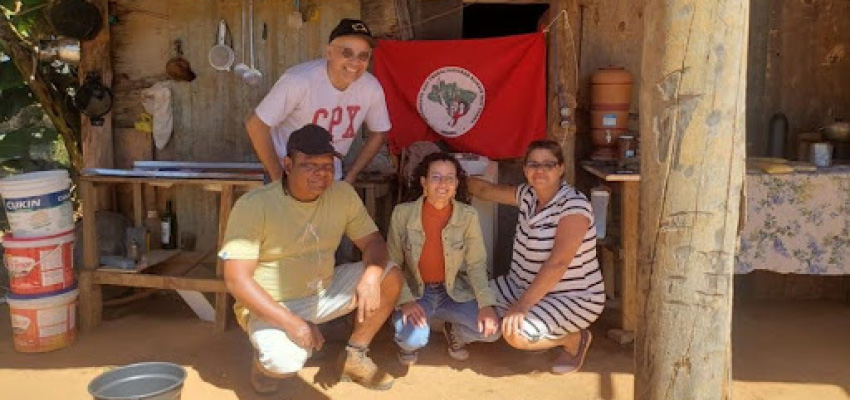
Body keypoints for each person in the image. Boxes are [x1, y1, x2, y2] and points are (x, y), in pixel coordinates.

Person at [220, 124, 403, 393]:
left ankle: (354, 355)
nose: (321, 173)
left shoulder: (342, 194)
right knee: (283, 363)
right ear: (287, 164)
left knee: (390, 275)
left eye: (328, 165)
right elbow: (236, 280)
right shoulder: (254, 205)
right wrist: (292, 322)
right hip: (272, 304)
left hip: (324, 291)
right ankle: (262, 364)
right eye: (309, 165)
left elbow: (373, 242)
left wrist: (371, 277)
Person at [468, 140, 605, 374]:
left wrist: (522, 306)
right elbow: (484, 190)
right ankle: (535, 326)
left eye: (548, 165)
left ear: (561, 168)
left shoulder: (574, 206)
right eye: (533, 164)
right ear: (525, 169)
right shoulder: (527, 195)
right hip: (519, 286)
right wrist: (447, 178)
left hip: (572, 297)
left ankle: (573, 339)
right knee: (464, 300)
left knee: (516, 335)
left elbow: (558, 263)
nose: (539, 171)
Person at [245, 18, 391, 184]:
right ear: (329, 53)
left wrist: (351, 176)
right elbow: (255, 124)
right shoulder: (299, 81)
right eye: (347, 53)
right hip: (290, 175)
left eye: (363, 56)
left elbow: (379, 132)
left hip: (329, 178)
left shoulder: (371, 87)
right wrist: (278, 179)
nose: (355, 62)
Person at [387, 152, 500, 365]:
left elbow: (476, 264)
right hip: (417, 292)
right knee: (413, 339)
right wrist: (405, 301)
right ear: (424, 182)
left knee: (492, 331)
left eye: (450, 178)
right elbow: (393, 263)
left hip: (452, 292)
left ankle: (455, 332)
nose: (443, 183)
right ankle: (406, 345)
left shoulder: (468, 216)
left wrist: (486, 304)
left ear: (457, 184)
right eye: (436, 177)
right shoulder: (402, 214)